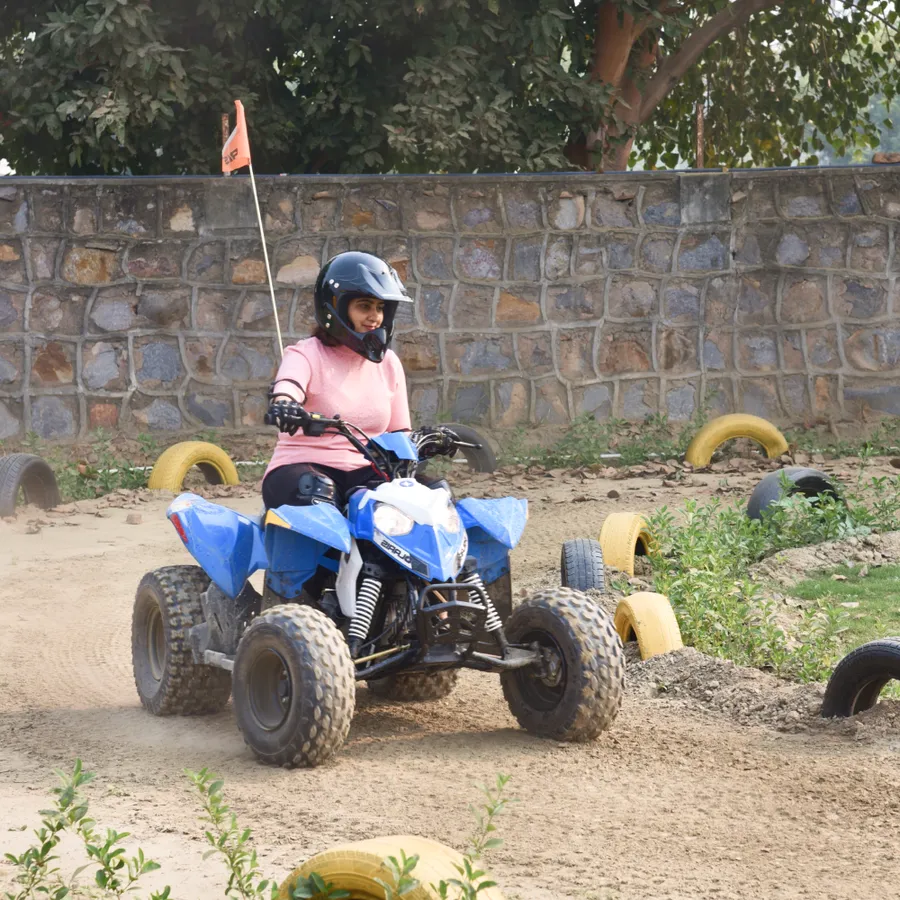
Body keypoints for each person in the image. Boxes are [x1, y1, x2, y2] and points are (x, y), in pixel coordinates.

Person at [262, 250, 417, 511]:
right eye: (365, 306)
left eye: (380, 308)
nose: (375, 317)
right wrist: (284, 403)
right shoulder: (306, 353)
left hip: (367, 473)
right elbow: (287, 387)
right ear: (335, 307)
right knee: (316, 490)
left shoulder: (388, 363)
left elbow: (400, 432)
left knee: (431, 494)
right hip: (303, 467)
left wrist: (426, 443)